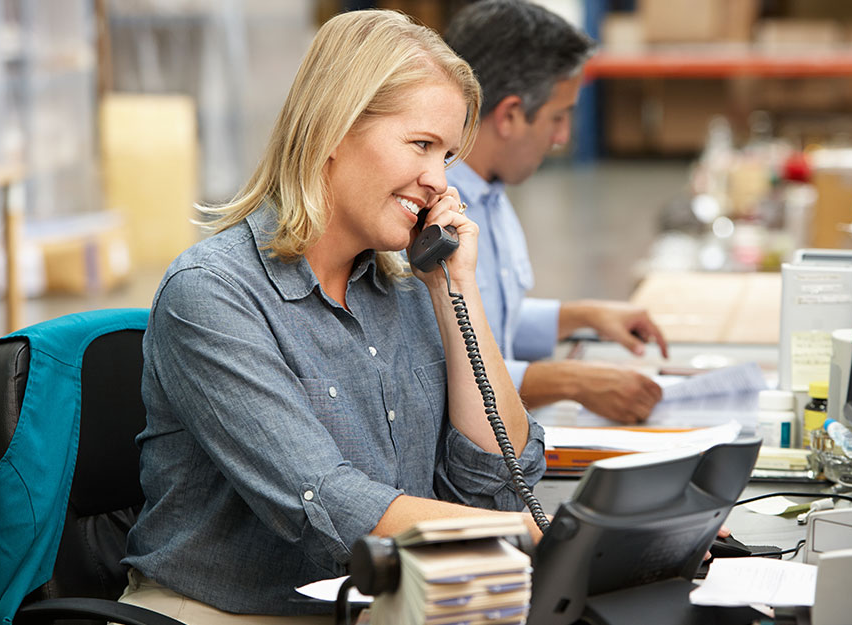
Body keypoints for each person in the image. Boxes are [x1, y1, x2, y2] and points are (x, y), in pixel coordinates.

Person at [119, 10, 546, 622]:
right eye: (421, 144)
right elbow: (328, 502)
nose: (439, 182)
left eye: (447, 156)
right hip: (224, 610)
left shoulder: (406, 288)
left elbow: (498, 481)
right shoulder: (213, 294)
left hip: (382, 599)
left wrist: (458, 291)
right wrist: (534, 534)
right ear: (332, 131)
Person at [444, 0, 671, 426]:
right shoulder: (434, 215)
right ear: (510, 114)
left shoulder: (490, 193)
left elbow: (486, 323)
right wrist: (572, 381)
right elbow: (441, 372)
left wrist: (581, 317)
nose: (562, 136)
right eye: (558, 117)